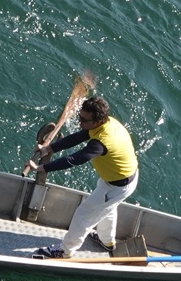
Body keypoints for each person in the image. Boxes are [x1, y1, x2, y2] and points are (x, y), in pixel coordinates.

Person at [26, 96, 138, 258]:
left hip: (117, 186)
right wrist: (50, 148)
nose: (80, 122)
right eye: (80, 117)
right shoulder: (107, 123)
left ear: (98, 120)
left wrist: (42, 168)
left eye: (84, 120)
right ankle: (107, 242)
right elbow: (79, 137)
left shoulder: (102, 142)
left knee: (84, 215)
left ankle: (65, 251)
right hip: (121, 178)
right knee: (107, 208)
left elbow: (74, 159)